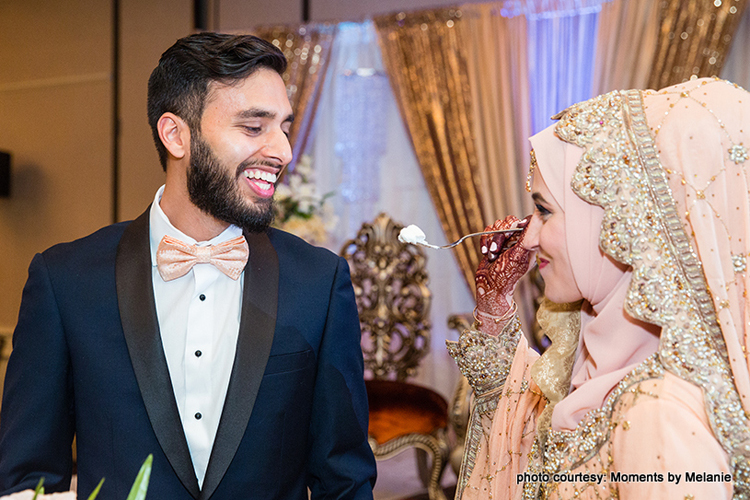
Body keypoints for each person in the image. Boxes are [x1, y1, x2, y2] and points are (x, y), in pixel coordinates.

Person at [0, 32, 376, 499]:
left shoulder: (320, 283)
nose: (283, 151)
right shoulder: (65, 282)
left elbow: (346, 482)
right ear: (176, 134)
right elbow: (27, 479)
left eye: (284, 126)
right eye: (254, 127)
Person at [448, 77, 750, 499]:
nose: (529, 237)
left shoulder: (658, 417)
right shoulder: (594, 367)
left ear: (610, 223)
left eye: (543, 211)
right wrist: (494, 303)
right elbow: (523, 448)